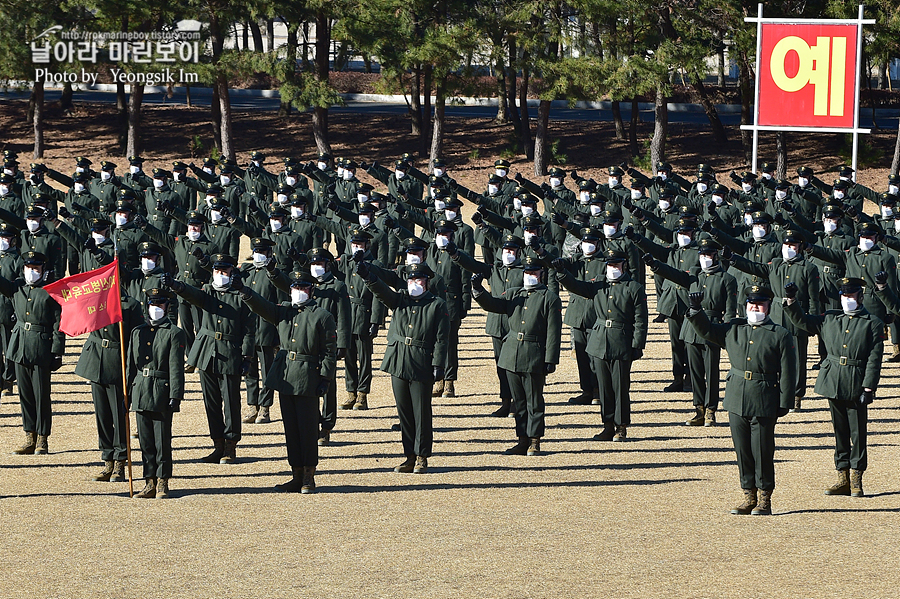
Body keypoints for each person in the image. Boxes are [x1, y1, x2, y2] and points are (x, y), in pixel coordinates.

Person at [686, 286, 798, 516]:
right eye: (751, 304)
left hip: (764, 398)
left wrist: (785, 402)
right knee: (742, 450)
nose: (755, 307)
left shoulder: (780, 334)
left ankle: (765, 498)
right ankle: (749, 495)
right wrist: (696, 310)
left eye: (760, 304)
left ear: (768, 307)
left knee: (762, 450)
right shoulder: (734, 329)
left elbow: (788, 370)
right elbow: (706, 331)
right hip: (737, 397)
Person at [239, 268, 337, 493]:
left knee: (308, 428)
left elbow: (329, 351)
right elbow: (263, 307)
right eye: (295, 287)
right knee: (291, 429)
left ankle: (309, 477)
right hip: (285, 375)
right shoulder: (284, 311)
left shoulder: (322, 316)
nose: (298, 291)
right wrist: (245, 292)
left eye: (303, 287)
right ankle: (296, 474)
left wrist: (326, 378)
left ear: (311, 290)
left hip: (308, 376)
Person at [784, 277, 883, 498]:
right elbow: (803, 322)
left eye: (851, 295)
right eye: (844, 295)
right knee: (839, 431)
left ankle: (857, 479)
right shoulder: (830, 318)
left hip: (856, 381)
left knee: (858, 432)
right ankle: (842, 477)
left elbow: (874, 358)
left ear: (860, 296)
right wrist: (792, 301)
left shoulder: (872, 323)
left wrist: (869, 387)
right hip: (833, 380)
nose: (847, 299)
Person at [160, 254, 256, 464]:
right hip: (206, 352)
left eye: (224, 272)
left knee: (231, 402)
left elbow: (249, 329)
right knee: (211, 402)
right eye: (217, 271)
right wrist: (176, 285)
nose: (219, 275)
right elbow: (193, 295)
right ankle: (217, 444)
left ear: (232, 273)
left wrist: (247, 356)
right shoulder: (209, 291)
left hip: (230, 351)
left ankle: (231, 445)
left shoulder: (242, 294)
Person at [359, 261, 449, 473]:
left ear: (427, 282)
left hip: (421, 361)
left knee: (421, 412)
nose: (414, 283)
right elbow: (382, 292)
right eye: (411, 279)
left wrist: (438, 364)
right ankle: (409, 455)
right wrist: (368, 277)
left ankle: (422, 455)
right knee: (404, 413)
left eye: (418, 280)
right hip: (398, 359)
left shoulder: (436, 304)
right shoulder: (400, 299)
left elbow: (442, 338)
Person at [472, 257, 562, 456]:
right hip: (511, 353)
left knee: (534, 401)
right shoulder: (514, 293)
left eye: (533, 273)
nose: (530, 276)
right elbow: (493, 305)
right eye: (527, 273)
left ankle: (535, 439)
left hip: (534, 354)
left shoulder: (549, 298)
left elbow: (554, 331)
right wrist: (478, 290)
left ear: (541, 274)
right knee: (519, 402)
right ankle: (522, 439)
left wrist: (550, 360)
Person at [555, 249, 648, 441]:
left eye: (615, 265)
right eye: (609, 265)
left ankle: (621, 426)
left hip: (622, 341)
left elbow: (640, 320)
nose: (612, 268)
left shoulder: (633, 288)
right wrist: (562, 273)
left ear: (623, 265)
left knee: (620, 387)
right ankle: (607, 425)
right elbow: (577, 287)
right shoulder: (599, 285)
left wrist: (637, 345)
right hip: (599, 341)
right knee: (604, 387)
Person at [644, 238, 737, 426]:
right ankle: (699, 409)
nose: (704, 259)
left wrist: (726, 332)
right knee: (695, 373)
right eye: (701, 255)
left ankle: (711, 409)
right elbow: (674, 274)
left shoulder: (727, 279)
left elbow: (729, 310)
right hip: (692, 328)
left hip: (713, 327)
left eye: (707, 255)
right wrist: (655, 265)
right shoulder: (695, 275)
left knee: (711, 372)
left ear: (715, 256)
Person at [75, 283, 143, 482]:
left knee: (118, 414)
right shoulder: (94, 300)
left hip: (117, 362)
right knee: (102, 415)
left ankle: (121, 461)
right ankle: (107, 459)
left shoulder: (130, 305)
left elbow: (135, 337)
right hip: (96, 361)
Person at [0, 251, 64, 455]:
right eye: (29, 268)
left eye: (36, 269)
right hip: (20, 346)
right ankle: (30, 435)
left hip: (41, 347)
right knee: (25, 394)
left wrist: (57, 351)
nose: (31, 272)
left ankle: (43, 438)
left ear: (43, 271)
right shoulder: (17, 287)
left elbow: (58, 323)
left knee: (41, 394)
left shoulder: (49, 291)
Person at [126, 287, 186, 499]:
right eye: (152, 305)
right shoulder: (137, 332)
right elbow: (131, 366)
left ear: (167, 307)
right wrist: (127, 392)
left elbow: (176, 367)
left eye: (160, 305)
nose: (156, 309)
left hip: (161, 391)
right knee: (145, 442)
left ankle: (162, 481)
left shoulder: (174, 333)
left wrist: (175, 395)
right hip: (141, 390)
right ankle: (148, 481)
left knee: (161, 441)